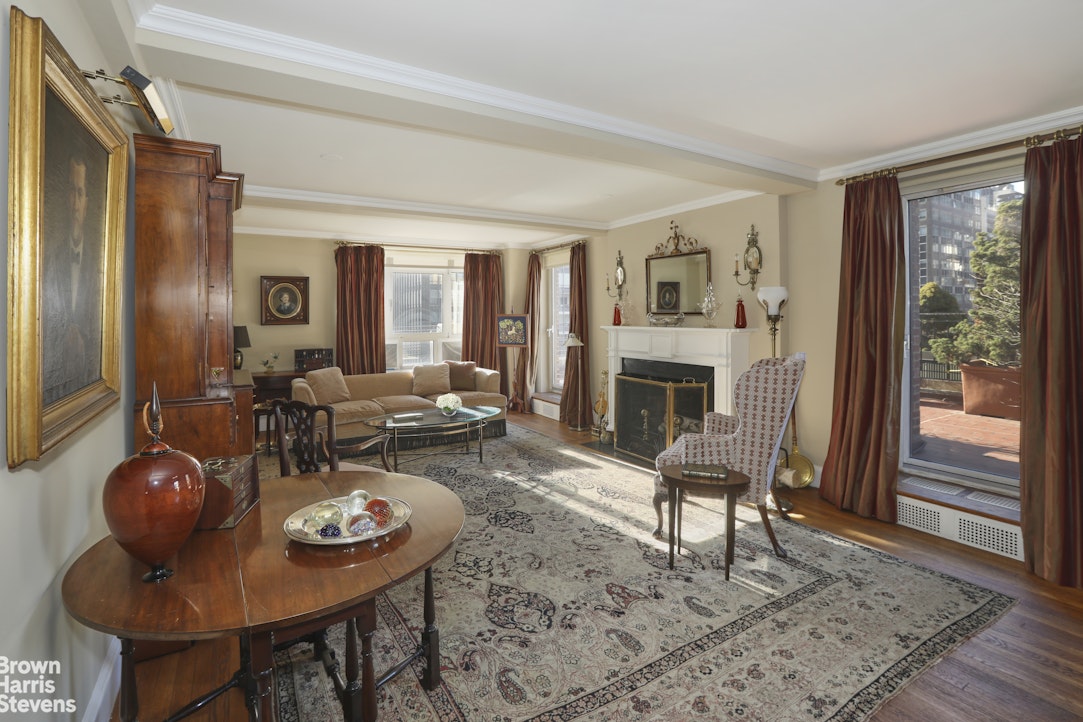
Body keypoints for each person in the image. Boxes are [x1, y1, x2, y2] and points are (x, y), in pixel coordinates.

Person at [43, 153, 102, 406]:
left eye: (80, 193)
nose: (75, 204)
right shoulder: (51, 260)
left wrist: (83, 337)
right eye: (71, 192)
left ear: (87, 202)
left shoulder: (98, 265)